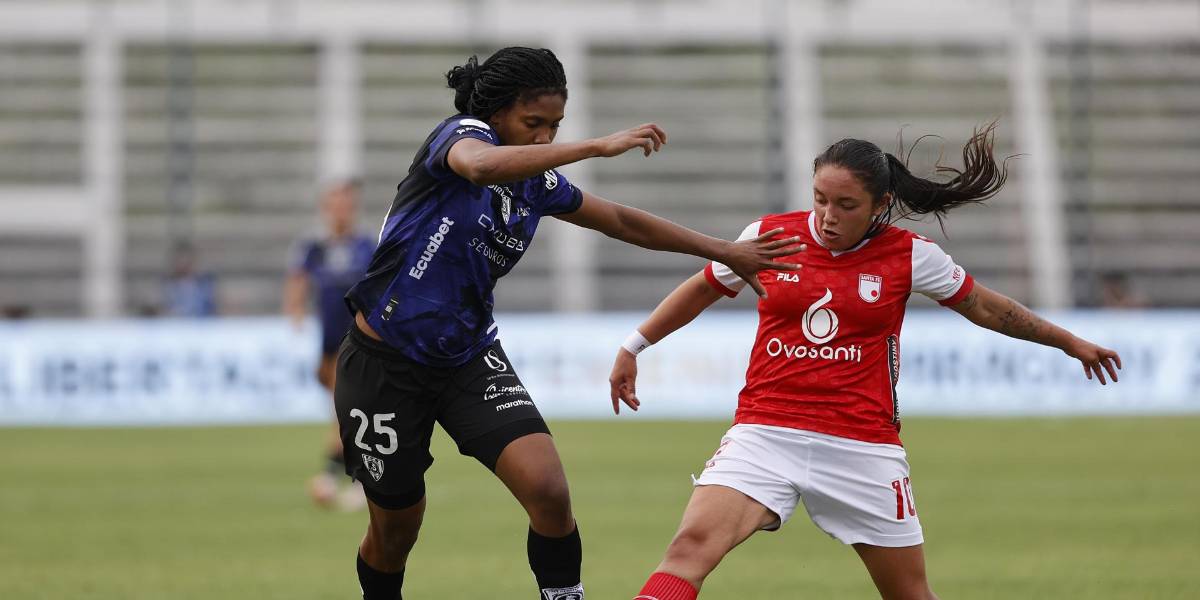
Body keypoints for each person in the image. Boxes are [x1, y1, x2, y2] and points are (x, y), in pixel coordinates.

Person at [335, 46, 802, 600]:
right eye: (533, 123)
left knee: (549, 493)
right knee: (396, 532)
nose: (544, 138)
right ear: (498, 113)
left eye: (554, 127)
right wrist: (594, 146)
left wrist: (724, 250)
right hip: (384, 363)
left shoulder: (537, 183)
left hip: (467, 359)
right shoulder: (459, 136)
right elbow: (480, 166)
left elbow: (621, 220)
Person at [613, 124, 1123, 600]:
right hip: (766, 433)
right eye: (819, 199)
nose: (827, 216)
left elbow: (987, 308)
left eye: (845, 205)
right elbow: (703, 288)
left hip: (861, 445)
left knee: (909, 594)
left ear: (880, 204)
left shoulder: (910, 255)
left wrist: (1068, 341)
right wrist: (634, 346)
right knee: (689, 550)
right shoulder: (769, 237)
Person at [284, 178, 377, 510]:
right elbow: (298, 278)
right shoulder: (314, 245)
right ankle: (354, 475)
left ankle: (339, 477)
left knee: (346, 407)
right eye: (335, 202)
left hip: (359, 339)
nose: (341, 209)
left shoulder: (367, 244)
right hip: (327, 339)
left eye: (346, 203)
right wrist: (295, 311)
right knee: (347, 408)